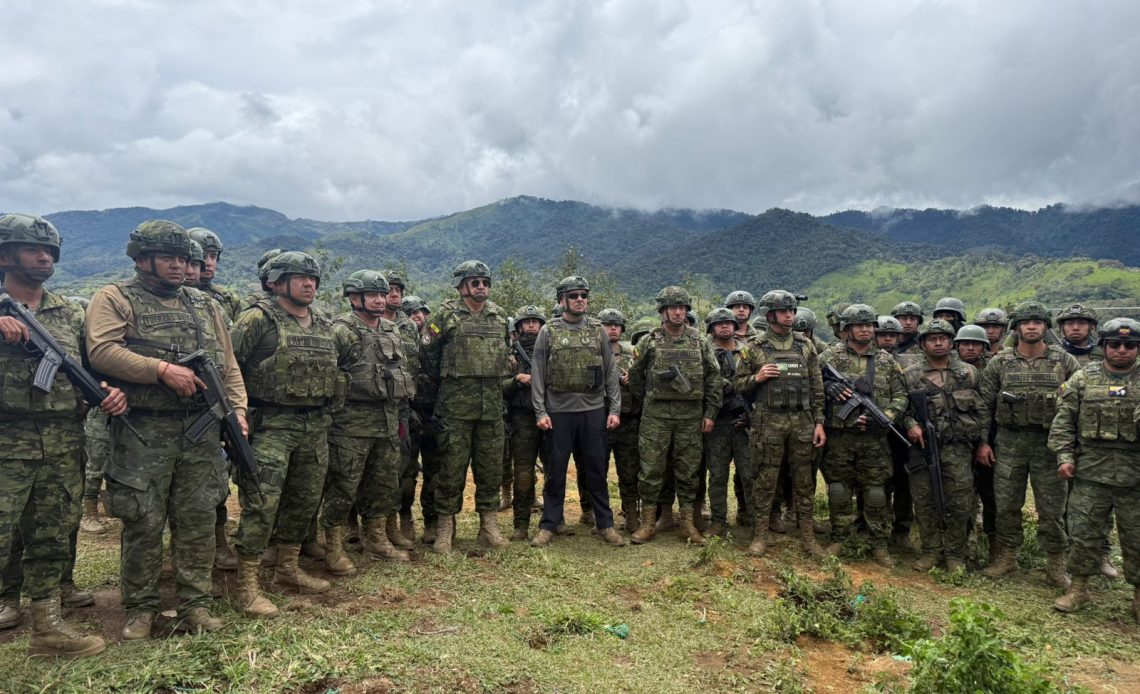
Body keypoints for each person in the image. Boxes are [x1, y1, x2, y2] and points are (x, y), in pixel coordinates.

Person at [86, 220, 244, 639]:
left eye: (184, 258)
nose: (179, 266)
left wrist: (239, 411)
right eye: (168, 257)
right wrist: (159, 371)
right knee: (143, 521)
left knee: (196, 518)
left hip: (201, 429)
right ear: (142, 259)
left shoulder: (206, 305)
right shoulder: (116, 298)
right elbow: (101, 351)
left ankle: (197, 602)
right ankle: (140, 607)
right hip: (143, 431)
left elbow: (227, 365)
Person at [0, 213, 125, 657]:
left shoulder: (69, 311)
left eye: (51, 250)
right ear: (6, 253)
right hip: (6, 441)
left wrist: (106, 392)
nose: (45, 257)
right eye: (33, 249)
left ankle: (47, 629)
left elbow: (88, 369)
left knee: (52, 536)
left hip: (61, 441)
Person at [230, 251, 343, 616]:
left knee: (304, 500)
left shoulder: (324, 323)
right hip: (271, 426)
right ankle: (246, 585)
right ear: (276, 282)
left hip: (315, 426)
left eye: (313, 278)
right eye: (300, 277)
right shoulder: (256, 320)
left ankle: (287, 569)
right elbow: (226, 369)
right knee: (263, 503)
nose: (310, 284)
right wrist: (238, 416)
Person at [977, 301, 1081, 589]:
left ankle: (1056, 565)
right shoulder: (1000, 362)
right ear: (1017, 328)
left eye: (1037, 322)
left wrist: (1071, 446)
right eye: (1026, 322)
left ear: (1046, 327)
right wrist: (983, 443)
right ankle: (1007, 558)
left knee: (1052, 509)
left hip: (1049, 445)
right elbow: (984, 406)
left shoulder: (1064, 361)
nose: (1032, 326)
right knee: (1007, 503)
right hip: (1009, 443)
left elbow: (1076, 408)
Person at [322, 271, 414, 573]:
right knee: (343, 487)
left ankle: (377, 538)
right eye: (372, 294)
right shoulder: (341, 331)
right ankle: (333, 546)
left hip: (386, 421)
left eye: (382, 294)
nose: (379, 299)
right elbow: (327, 379)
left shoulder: (391, 329)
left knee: (384, 483)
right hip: (350, 426)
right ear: (354, 298)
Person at [1049, 318, 1140, 620]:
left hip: (1135, 475)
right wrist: (1064, 456)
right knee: (1084, 533)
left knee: (1136, 537)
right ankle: (1078, 590)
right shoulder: (1083, 378)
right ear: (1104, 347)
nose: (1122, 350)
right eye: (1115, 344)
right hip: (1090, 472)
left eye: (1130, 345)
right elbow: (1063, 421)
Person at [420, 260, 512, 553]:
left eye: (485, 281)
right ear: (461, 286)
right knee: (450, 469)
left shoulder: (499, 317)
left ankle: (489, 526)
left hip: (491, 409)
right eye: (475, 282)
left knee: (490, 468)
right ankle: (446, 528)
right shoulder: (445, 316)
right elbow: (427, 355)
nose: (481, 286)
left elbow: (506, 352)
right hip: (455, 408)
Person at [529, 276, 624, 547]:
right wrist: (540, 412)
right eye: (574, 295)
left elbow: (610, 372)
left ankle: (605, 524)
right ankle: (549, 525)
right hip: (558, 412)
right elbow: (537, 374)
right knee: (556, 472)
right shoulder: (549, 331)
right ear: (562, 300)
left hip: (593, 410)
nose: (580, 299)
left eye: (583, 294)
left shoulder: (597, 330)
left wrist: (614, 408)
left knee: (596, 470)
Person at [733, 291, 827, 558]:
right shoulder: (754, 347)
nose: (790, 315)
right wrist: (758, 377)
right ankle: (761, 535)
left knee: (804, 479)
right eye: (784, 311)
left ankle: (808, 537)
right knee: (765, 479)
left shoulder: (805, 346)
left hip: (802, 421)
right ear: (771, 315)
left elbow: (816, 388)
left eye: (792, 310)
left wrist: (819, 422)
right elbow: (738, 385)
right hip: (769, 421)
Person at [628, 287, 721, 545]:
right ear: (663, 311)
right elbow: (635, 378)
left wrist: (710, 412)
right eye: (673, 307)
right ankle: (648, 523)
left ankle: (688, 524)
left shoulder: (700, 341)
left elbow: (713, 378)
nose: (679, 312)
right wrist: (648, 401)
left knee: (689, 470)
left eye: (682, 307)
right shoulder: (649, 341)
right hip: (656, 416)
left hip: (690, 416)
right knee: (651, 469)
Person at [819, 303, 908, 567]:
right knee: (838, 488)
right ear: (847, 329)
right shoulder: (829, 358)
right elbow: (813, 385)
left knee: (876, 491)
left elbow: (901, 396)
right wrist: (829, 388)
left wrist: (886, 417)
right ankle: (840, 537)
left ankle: (878, 542)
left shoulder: (886, 361)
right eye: (859, 325)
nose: (865, 330)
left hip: (874, 440)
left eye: (869, 325)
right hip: (839, 436)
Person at [899, 320, 981, 572]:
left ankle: (956, 553)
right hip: (923, 448)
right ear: (923, 344)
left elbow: (983, 409)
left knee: (960, 501)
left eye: (943, 338)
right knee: (924, 501)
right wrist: (911, 423)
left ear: (950, 342)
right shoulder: (911, 374)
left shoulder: (968, 373)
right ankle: (931, 550)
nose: (938, 342)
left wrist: (983, 442)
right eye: (932, 339)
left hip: (959, 448)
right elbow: (901, 407)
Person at [700, 308, 755, 539]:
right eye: (719, 323)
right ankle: (718, 520)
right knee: (718, 474)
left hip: (744, 421)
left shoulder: (748, 351)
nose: (724, 326)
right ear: (712, 328)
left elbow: (758, 382)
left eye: (728, 323)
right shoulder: (705, 351)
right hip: (718, 421)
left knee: (750, 473)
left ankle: (753, 519)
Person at [383, 270, 420, 549]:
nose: (394, 294)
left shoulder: (409, 327)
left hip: (403, 409)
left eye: (398, 289)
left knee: (403, 467)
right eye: (389, 289)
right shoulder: (358, 324)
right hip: (369, 411)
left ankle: (395, 522)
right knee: (370, 469)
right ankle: (357, 525)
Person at [402, 295, 444, 543]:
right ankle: (405, 519)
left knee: (435, 473)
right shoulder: (397, 340)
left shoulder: (436, 343)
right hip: (408, 415)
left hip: (433, 416)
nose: (416, 315)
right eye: (410, 313)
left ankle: (432, 522)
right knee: (406, 476)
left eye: (419, 311)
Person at [502, 305, 545, 540]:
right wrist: (516, 380)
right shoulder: (511, 356)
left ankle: (553, 520)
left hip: (549, 415)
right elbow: (499, 386)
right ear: (518, 327)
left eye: (535, 321)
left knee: (554, 469)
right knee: (523, 472)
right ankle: (520, 525)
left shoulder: (551, 352)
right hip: (522, 418)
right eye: (526, 321)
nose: (531, 325)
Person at [599, 308, 643, 533]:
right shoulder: (592, 352)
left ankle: (632, 515)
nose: (613, 328)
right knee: (598, 470)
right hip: (599, 419)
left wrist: (630, 382)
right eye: (608, 324)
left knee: (629, 470)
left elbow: (645, 385)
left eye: (616, 325)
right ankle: (601, 517)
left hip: (628, 420)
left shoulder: (633, 353)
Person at [187, 227, 243, 322]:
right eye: (203, 256)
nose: (209, 263)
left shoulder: (228, 299)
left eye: (213, 257)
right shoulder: (174, 295)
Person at [890, 301, 924, 367]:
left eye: (913, 319)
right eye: (904, 318)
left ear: (918, 322)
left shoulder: (924, 343)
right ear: (896, 320)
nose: (908, 322)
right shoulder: (885, 340)